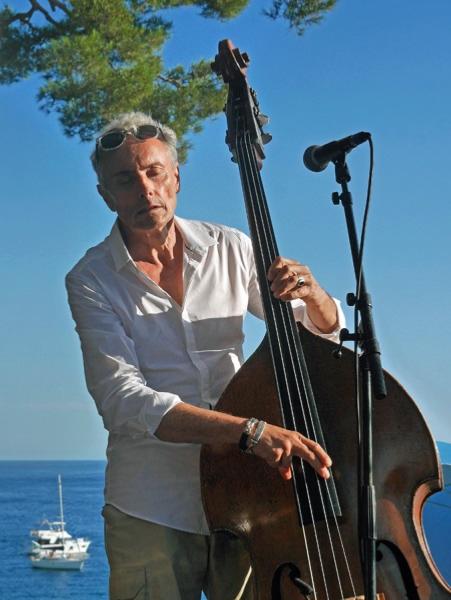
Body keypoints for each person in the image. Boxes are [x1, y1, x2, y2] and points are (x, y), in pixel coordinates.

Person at [66, 111, 345, 600]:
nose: (145, 189)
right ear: (105, 196)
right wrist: (247, 431)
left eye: (154, 173)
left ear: (176, 177)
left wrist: (317, 296)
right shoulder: (90, 279)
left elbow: (314, 337)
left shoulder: (232, 247)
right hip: (153, 506)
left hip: (248, 498)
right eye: (125, 181)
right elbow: (122, 399)